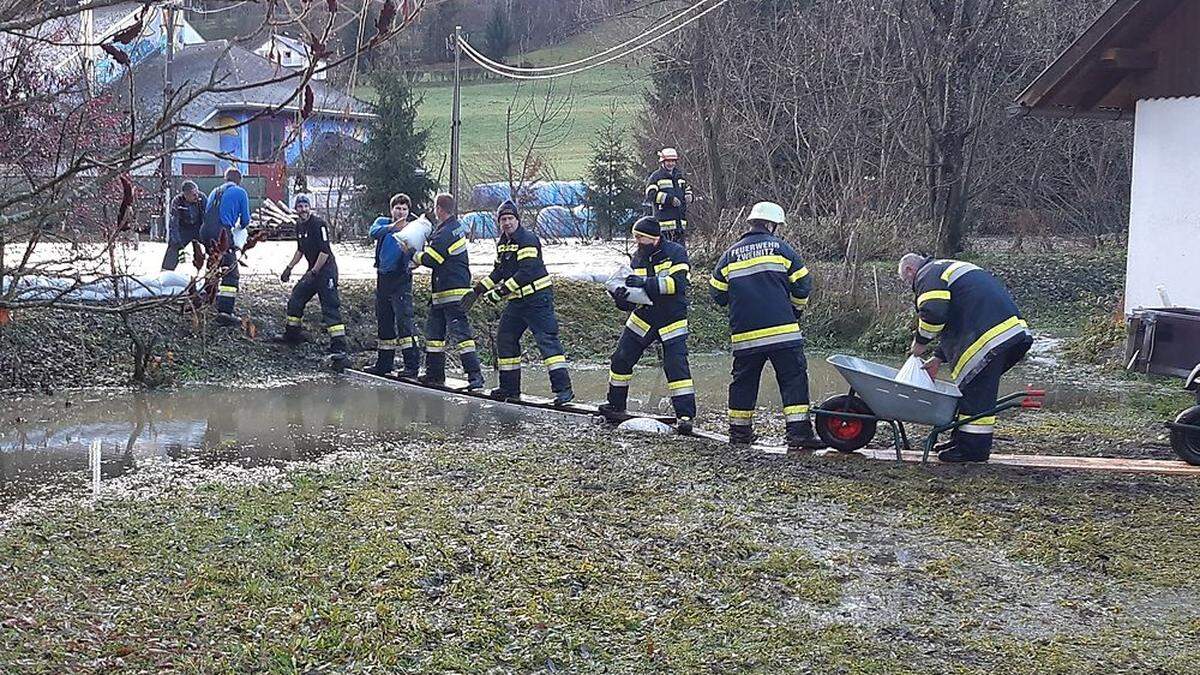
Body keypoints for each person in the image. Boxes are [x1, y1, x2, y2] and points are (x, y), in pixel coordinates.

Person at [899, 253, 1034, 463]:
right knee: (970, 389)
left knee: (978, 394)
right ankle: (961, 440)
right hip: (1002, 332)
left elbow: (934, 313)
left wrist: (919, 343)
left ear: (909, 270)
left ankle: (972, 451)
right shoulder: (942, 269)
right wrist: (936, 358)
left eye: (907, 281)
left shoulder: (927, 274)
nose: (911, 285)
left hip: (990, 336)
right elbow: (956, 314)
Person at [709, 202, 819, 450]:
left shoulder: (730, 255)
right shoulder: (782, 249)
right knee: (793, 380)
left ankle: (739, 434)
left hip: (745, 335)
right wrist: (795, 310)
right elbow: (803, 284)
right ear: (771, 225)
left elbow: (716, 294)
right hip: (783, 333)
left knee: (743, 383)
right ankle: (799, 434)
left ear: (751, 223)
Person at [464, 199, 573, 405]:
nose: (507, 223)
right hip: (517, 301)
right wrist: (478, 290)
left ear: (517, 219)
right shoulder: (503, 243)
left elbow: (526, 271)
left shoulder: (527, 239)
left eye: (510, 218)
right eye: (503, 219)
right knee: (505, 338)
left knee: (546, 342)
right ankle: (509, 388)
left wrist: (500, 293)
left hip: (537, 299)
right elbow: (499, 271)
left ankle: (564, 390)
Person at [599, 216, 695, 433]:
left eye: (640, 237)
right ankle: (616, 405)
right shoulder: (637, 258)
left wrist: (645, 283)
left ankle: (686, 416)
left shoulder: (676, 253)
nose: (637, 242)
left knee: (676, 367)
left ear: (654, 238)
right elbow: (632, 296)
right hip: (644, 316)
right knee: (621, 358)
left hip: (671, 317)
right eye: (635, 237)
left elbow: (676, 285)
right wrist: (621, 298)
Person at [413, 193, 485, 389]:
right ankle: (435, 374)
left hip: (451, 293)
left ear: (439, 209)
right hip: (443, 293)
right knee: (434, 337)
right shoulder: (453, 228)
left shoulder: (445, 233)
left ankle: (475, 377)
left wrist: (413, 254)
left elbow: (432, 259)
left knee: (461, 336)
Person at [273, 195, 349, 367]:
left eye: (305, 206)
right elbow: (300, 250)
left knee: (330, 306)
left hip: (325, 270)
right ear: (296, 209)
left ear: (310, 207)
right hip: (312, 271)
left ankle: (339, 347)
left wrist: (315, 271)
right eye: (299, 206)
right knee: (296, 297)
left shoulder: (319, 224)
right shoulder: (299, 225)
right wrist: (289, 268)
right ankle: (292, 334)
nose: (303, 209)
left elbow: (324, 251)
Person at [364, 193, 421, 377]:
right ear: (392, 209)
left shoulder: (413, 229)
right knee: (384, 320)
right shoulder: (382, 223)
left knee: (404, 322)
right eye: (398, 208)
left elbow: (419, 253)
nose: (401, 212)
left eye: (404, 209)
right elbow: (373, 232)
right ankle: (384, 364)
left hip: (401, 279)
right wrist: (391, 227)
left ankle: (411, 366)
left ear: (409, 211)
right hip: (383, 277)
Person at [199, 167, 253, 326]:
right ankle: (225, 312)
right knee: (231, 272)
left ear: (225, 179)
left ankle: (208, 301)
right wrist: (238, 229)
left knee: (213, 265)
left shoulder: (215, 191)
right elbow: (245, 221)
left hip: (205, 231)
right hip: (221, 232)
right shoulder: (240, 192)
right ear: (239, 180)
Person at [643, 147, 693, 245]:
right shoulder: (656, 177)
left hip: (680, 225)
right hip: (664, 226)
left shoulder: (680, 176)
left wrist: (689, 196)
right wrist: (669, 199)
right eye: (668, 161)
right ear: (662, 162)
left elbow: (687, 189)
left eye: (673, 161)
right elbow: (650, 194)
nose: (671, 164)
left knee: (679, 254)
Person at [161, 180, 205, 271]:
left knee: (212, 245)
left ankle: (214, 270)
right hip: (184, 228)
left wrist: (206, 233)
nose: (196, 196)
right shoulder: (177, 201)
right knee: (173, 247)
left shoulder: (202, 198)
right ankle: (166, 272)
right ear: (185, 195)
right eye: (193, 195)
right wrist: (177, 242)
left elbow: (207, 217)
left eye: (196, 193)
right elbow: (174, 223)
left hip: (199, 226)